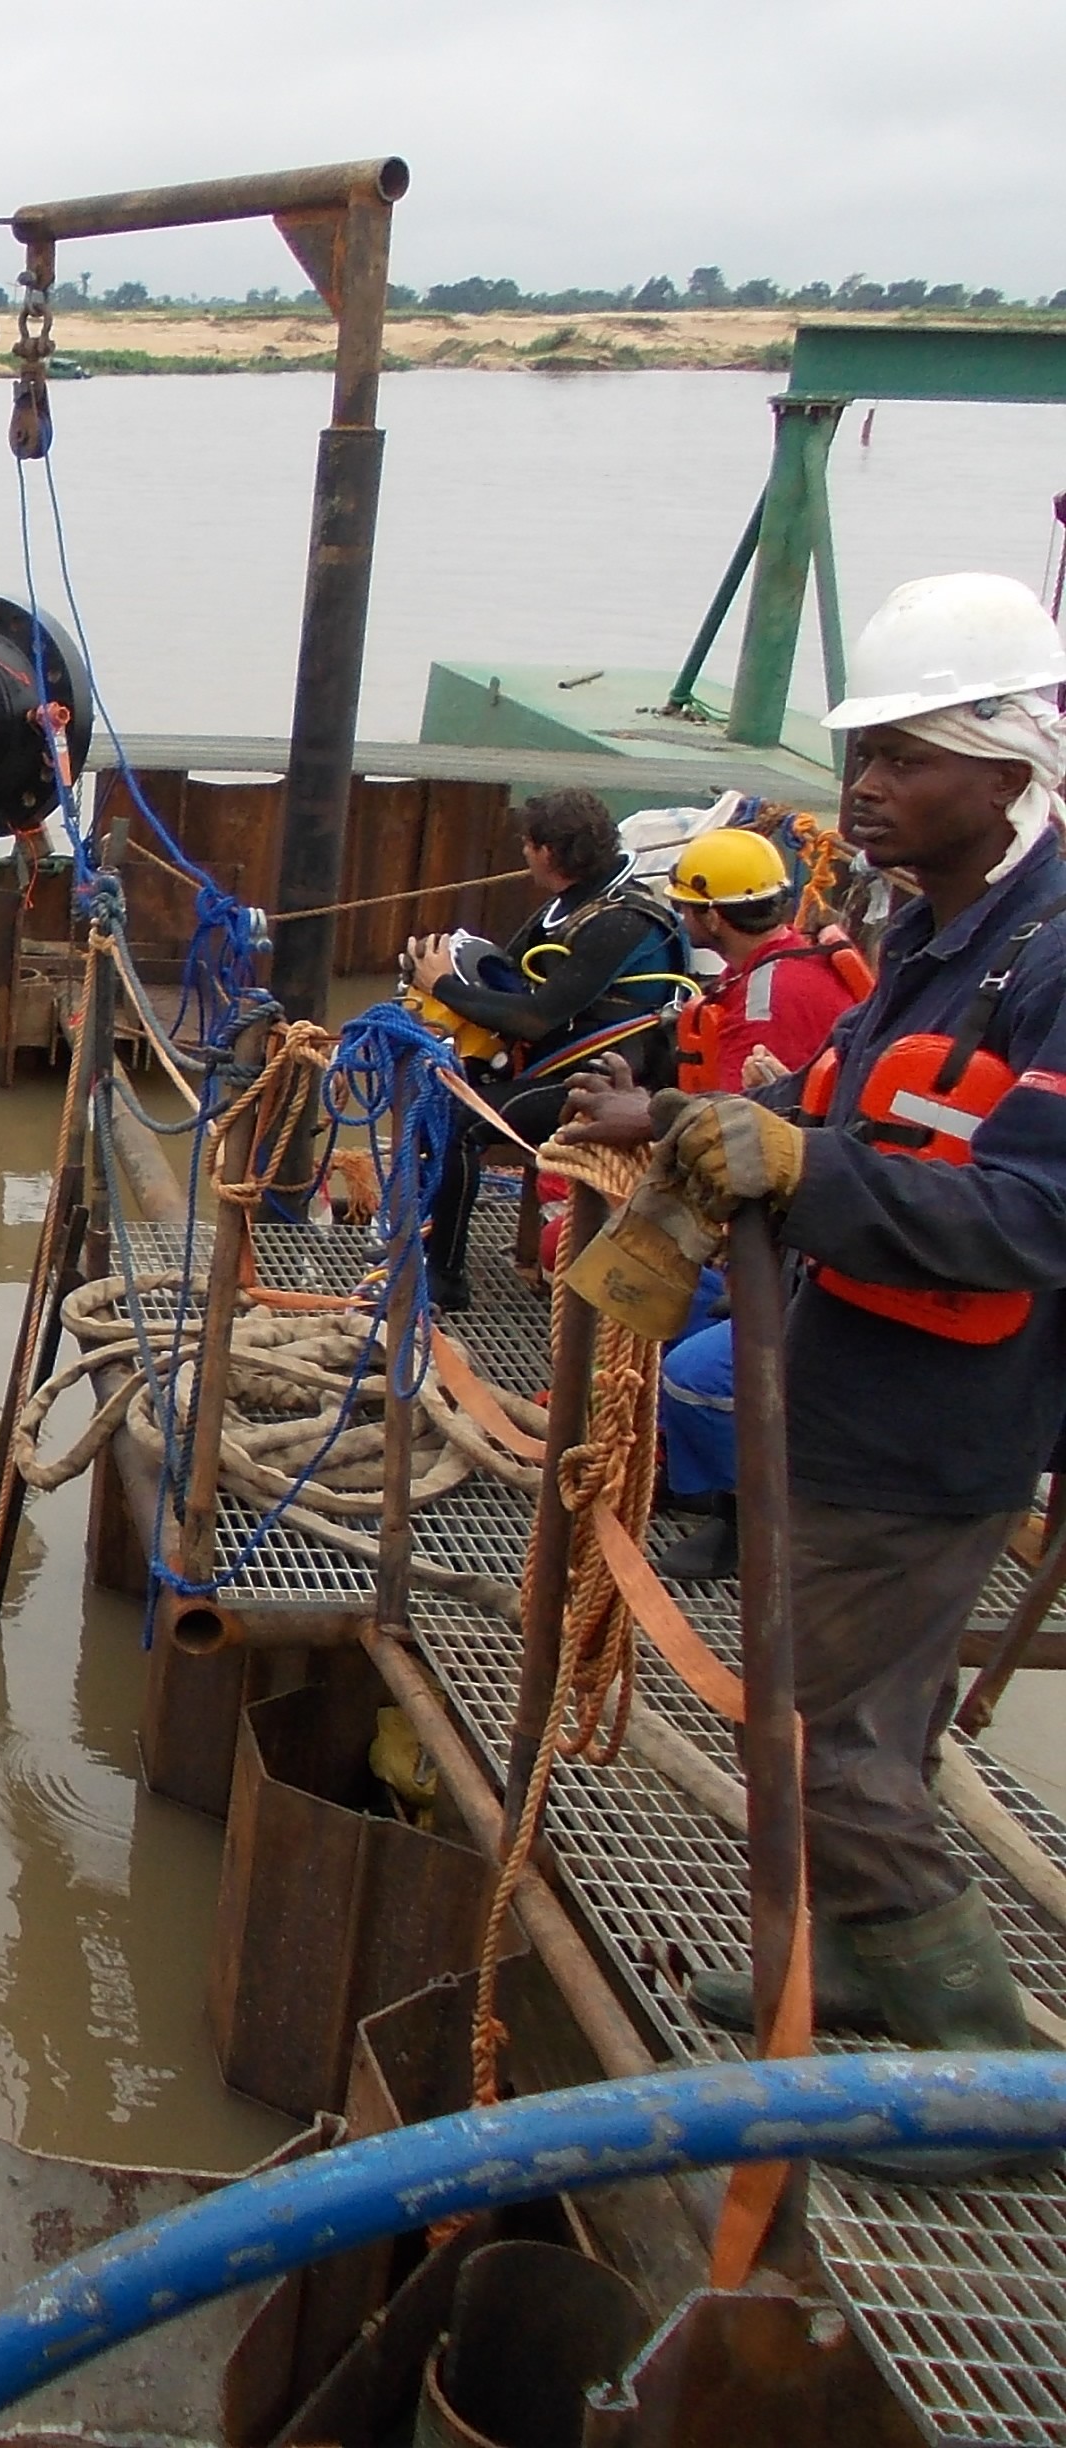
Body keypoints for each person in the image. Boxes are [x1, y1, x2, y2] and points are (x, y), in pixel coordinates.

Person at [561, 572, 1066, 2159]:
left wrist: (803, 1166)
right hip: (851, 1391)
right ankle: (851, 1963)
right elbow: (868, 1116)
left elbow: (1039, 1214)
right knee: (860, 1728)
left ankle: (981, 2073)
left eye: (906, 754)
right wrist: (687, 1126)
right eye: (865, 752)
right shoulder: (937, 930)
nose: (865, 787)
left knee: (817, 1740)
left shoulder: (1051, 956)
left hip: (934, 1434)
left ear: (1005, 760)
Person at [650, 825, 870, 1576]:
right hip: (806, 1214)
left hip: (788, 1230)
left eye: (689, 908)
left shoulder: (772, 994)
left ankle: (740, 1522)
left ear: (710, 918)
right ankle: (685, 1470)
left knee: (683, 1351)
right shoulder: (796, 968)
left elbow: (741, 1134)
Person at [406, 787, 690, 1310]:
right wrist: (440, 981)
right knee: (441, 1083)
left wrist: (442, 985)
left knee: (458, 1117)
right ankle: (418, 1234)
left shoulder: (619, 922)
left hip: (603, 1085)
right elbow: (509, 974)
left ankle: (442, 1279)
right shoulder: (572, 906)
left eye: (527, 843)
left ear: (548, 852)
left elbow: (538, 1018)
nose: (523, 852)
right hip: (559, 1065)